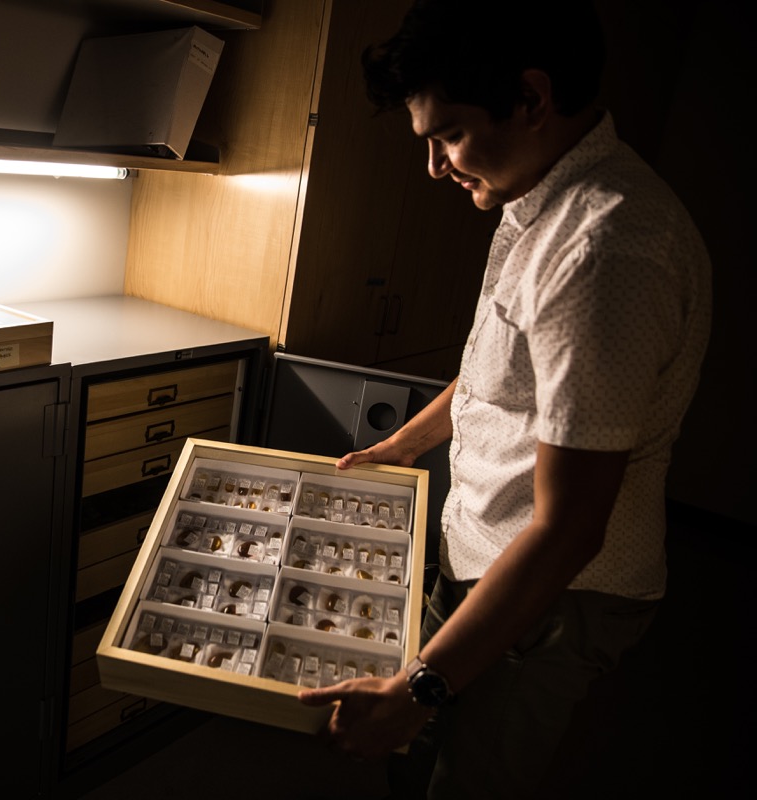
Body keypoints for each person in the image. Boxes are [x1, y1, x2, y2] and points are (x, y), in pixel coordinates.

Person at [296, 1, 712, 797]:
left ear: (529, 98)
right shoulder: (541, 199)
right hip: (489, 558)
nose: (435, 165)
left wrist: (418, 688)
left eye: (447, 133)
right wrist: (403, 446)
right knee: (418, 760)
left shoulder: (605, 247)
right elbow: (499, 371)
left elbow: (567, 530)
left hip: (554, 598)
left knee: (468, 778)